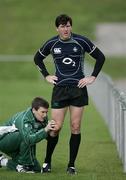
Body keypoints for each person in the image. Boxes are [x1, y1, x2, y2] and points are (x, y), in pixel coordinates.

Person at [34, 14, 105, 175]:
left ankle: (71, 165)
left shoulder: (81, 41)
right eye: (62, 26)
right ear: (57, 28)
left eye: (68, 26)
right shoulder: (52, 43)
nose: (65, 29)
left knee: (75, 127)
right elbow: (37, 58)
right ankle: (47, 161)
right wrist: (46, 75)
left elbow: (100, 57)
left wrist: (92, 76)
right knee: (55, 128)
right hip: (59, 89)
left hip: (78, 89)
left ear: (71, 27)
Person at [0, 97, 56, 173]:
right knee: (25, 136)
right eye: (42, 112)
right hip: (4, 140)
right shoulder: (25, 119)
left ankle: (3, 161)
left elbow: (44, 134)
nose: (45, 115)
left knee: (36, 169)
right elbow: (28, 139)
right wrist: (46, 129)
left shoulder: (42, 118)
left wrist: (53, 132)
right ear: (34, 110)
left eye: (46, 112)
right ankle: (24, 165)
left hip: (18, 143)